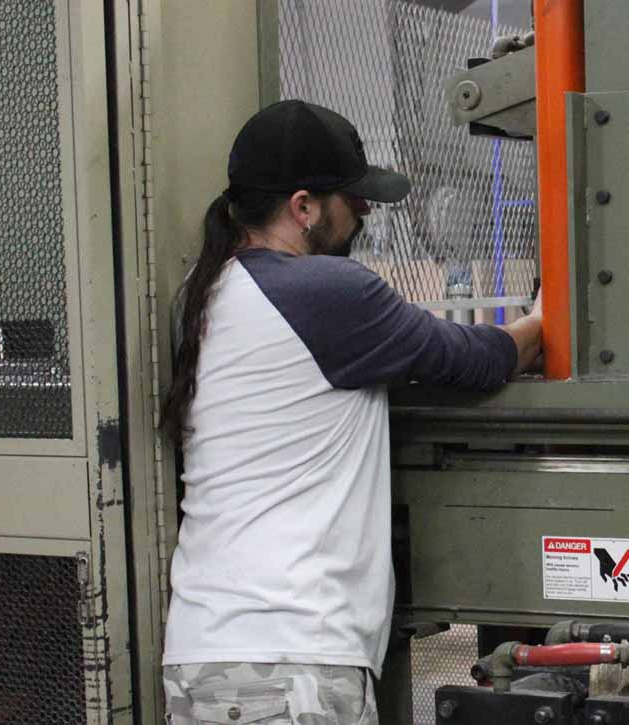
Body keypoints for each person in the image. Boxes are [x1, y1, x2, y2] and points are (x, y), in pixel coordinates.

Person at [158, 100, 543, 724]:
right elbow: (479, 359)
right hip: (288, 665)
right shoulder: (327, 293)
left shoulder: (208, 292)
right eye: (352, 197)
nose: (366, 210)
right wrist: (544, 321)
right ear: (303, 206)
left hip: (212, 656)